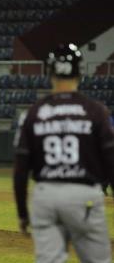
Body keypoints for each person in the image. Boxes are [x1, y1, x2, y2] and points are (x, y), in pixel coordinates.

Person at [13, 43, 114, 263]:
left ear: (50, 72)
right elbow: (111, 162)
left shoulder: (34, 113)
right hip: (84, 197)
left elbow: (21, 171)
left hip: (45, 197)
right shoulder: (96, 111)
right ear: (80, 72)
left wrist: (22, 212)